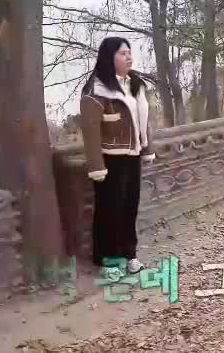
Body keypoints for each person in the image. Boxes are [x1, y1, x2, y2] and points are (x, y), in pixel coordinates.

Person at [79, 37, 156, 279]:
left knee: (129, 208)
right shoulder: (95, 89)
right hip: (109, 159)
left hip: (132, 156)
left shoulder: (135, 85)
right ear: (109, 57)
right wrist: (96, 165)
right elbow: (90, 131)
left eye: (129, 52)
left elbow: (143, 121)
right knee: (109, 210)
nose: (129, 57)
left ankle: (129, 254)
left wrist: (147, 148)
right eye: (123, 53)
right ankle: (108, 260)